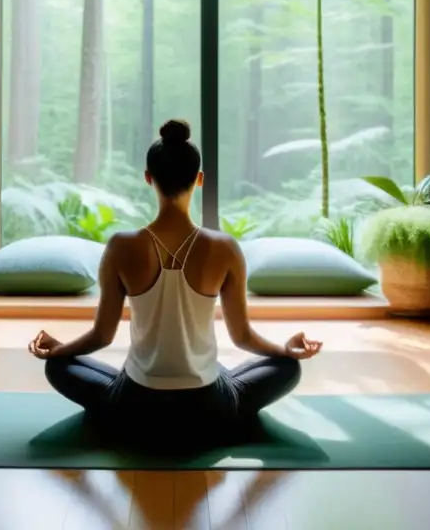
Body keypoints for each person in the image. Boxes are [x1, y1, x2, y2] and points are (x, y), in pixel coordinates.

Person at [28, 119, 322, 443]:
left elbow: (101, 336)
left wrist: (58, 350)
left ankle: (128, 421)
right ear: (199, 180)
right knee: (288, 369)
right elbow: (242, 337)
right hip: (210, 405)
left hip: (135, 404)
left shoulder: (121, 246)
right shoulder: (224, 248)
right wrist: (286, 350)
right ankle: (216, 420)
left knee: (58, 367)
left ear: (148, 178)